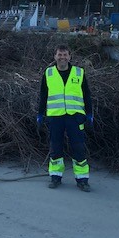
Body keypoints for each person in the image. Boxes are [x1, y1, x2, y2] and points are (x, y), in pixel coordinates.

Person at [38, 44, 93, 191]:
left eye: (65, 55)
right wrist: (40, 114)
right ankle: (55, 177)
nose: (62, 57)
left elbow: (87, 95)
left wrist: (89, 114)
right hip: (55, 118)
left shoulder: (79, 73)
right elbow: (43, 96)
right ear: (55, 57)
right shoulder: (48, 73)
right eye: (59, 55)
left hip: (75, 118)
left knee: (78, 148)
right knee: (56, 148)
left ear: (69, 56)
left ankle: (82, 180)